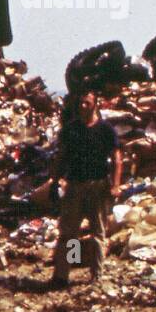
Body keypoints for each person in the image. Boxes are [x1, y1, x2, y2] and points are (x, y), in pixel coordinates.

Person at [52, 90, 122, 287]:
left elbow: (117, 158)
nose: (83, 107)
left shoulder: (106, 130)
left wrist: (115, 185)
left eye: (87, 103)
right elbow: (61, 157)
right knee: (70, 233)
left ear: (95, 105)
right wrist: (55, 180)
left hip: (98, 186)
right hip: (74, 186)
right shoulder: (71, 129)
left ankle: (97, 275)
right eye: (81, 103)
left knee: (98, 233)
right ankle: (66, 273)